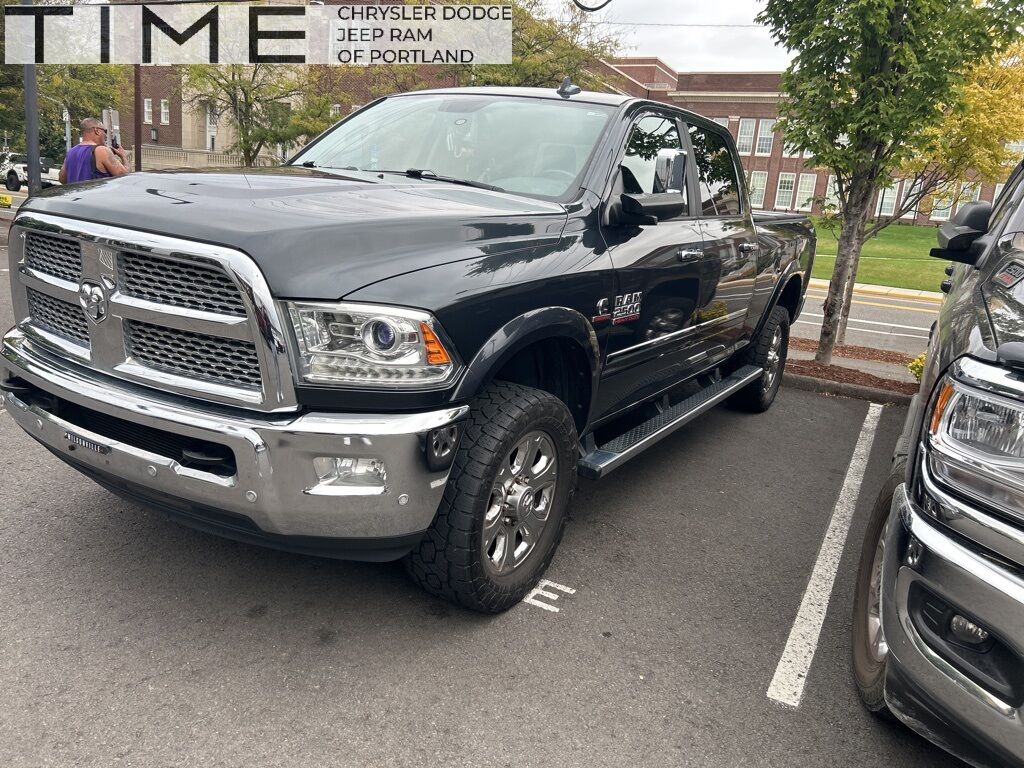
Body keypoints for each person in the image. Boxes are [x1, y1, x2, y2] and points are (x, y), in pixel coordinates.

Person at [59, 117, 129, 184]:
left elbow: (62, 179)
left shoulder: (71, 152)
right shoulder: (101, 151)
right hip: (97, 193)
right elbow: (124, 177)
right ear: (96, 130)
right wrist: (124, 157)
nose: (105, 135)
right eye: (105, 131)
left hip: (76, 192)